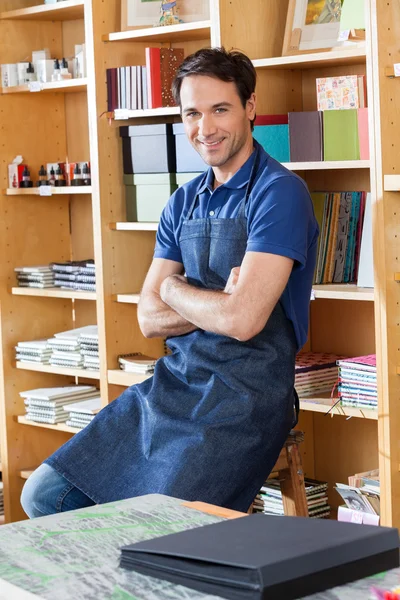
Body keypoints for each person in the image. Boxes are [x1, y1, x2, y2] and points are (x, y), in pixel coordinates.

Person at [21, 47, 319, 518]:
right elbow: (147, 318)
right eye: (193, 113)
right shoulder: (183, 202)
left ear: (250, 107)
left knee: (156, 525)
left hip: (244, 399)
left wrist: (176, 289)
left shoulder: (280, 194)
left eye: (220, 109)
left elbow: (242, 321)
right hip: (174, 385)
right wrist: (215, 298)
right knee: (42, 495)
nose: (206, 128)